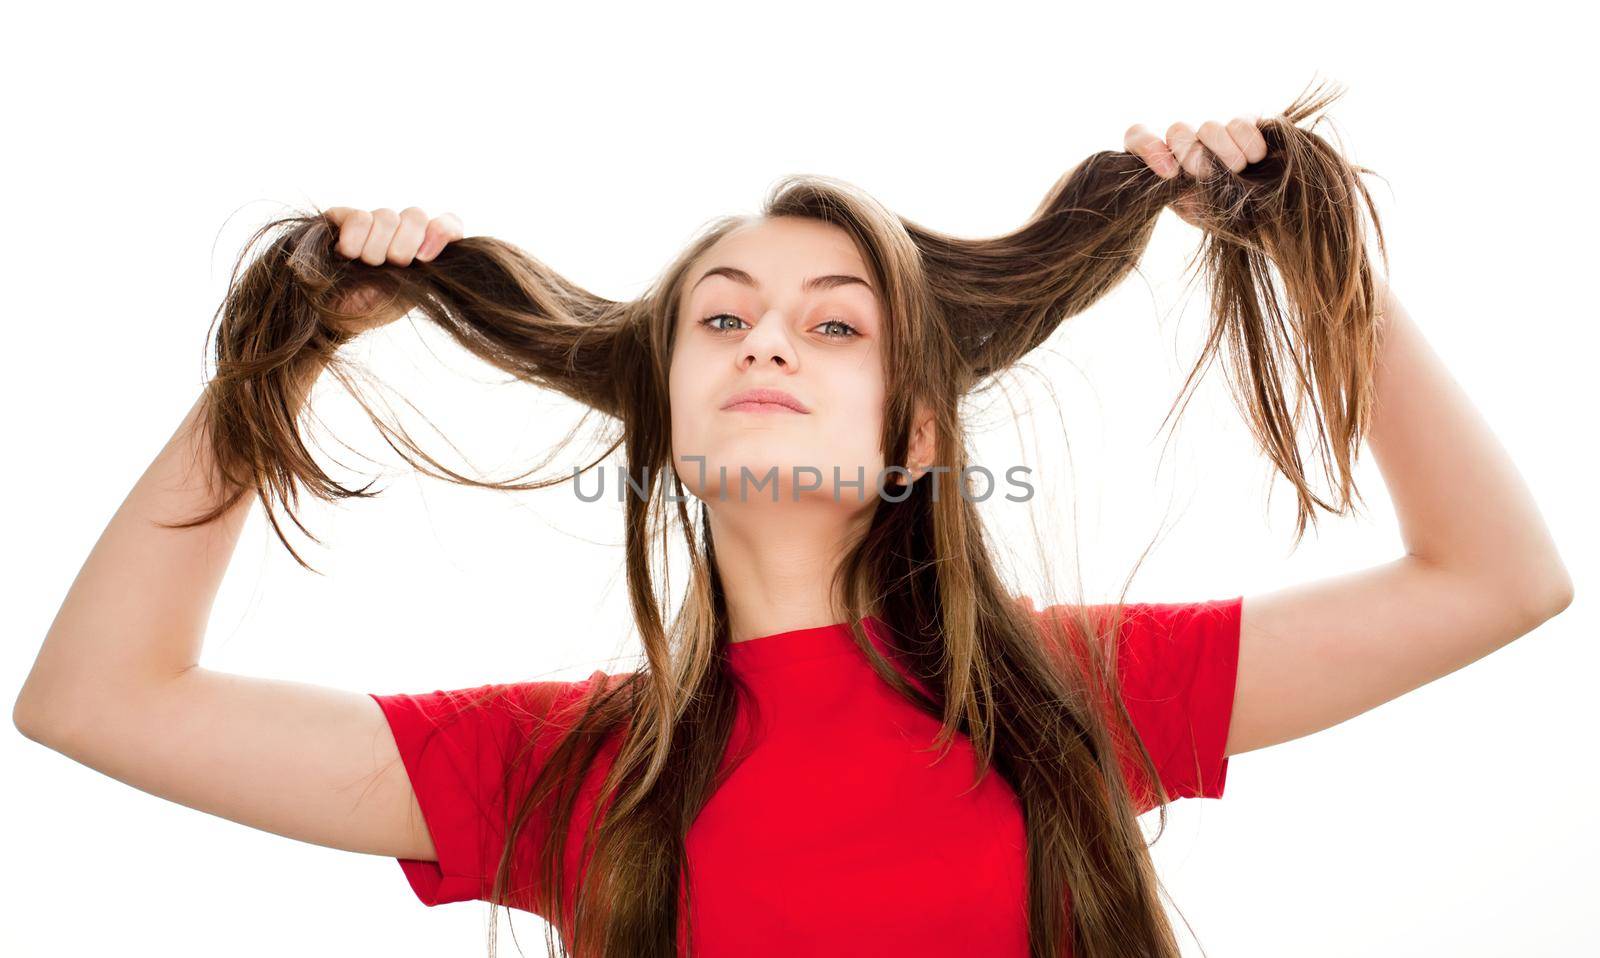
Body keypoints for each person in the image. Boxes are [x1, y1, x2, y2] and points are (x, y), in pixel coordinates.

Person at [13, 82, 1572, 958]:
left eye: (834, 327)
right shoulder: (569, 770)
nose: (766, 340)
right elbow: (97, 701)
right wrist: (290, 349)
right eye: (723, 319)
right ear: (663, 417)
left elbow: (1497, 578)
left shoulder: (1069, 696)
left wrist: (1306, 255)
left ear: (913, 434)